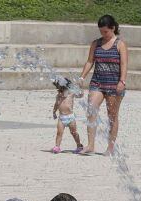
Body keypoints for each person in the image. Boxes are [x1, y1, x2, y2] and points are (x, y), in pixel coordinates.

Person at [77, 15, 128, 155]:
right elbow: (90, 61)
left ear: (113, 28)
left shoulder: (120, 44)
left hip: (114, 85)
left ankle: (110, 147)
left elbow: (124, 64)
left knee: (112, 116)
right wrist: (82, 77)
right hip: (97, 82)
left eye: (106, 31)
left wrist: (122, 81)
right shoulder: (96, 44)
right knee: (91, 110)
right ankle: (90, 145)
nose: (103, 34)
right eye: (101, 31)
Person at [51, 77, 84, 154]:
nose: (61, 92)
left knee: (74, 133)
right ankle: (57, 146)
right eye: (59, 90)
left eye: (62, 90)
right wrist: (54, 112)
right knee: (59, 133)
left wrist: (81, 89)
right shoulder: (58, 96)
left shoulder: (71, 94)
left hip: (70, 118)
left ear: (67, 88)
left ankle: (79, 145)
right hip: (61, 118)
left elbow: (80, 95)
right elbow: (56, 104)